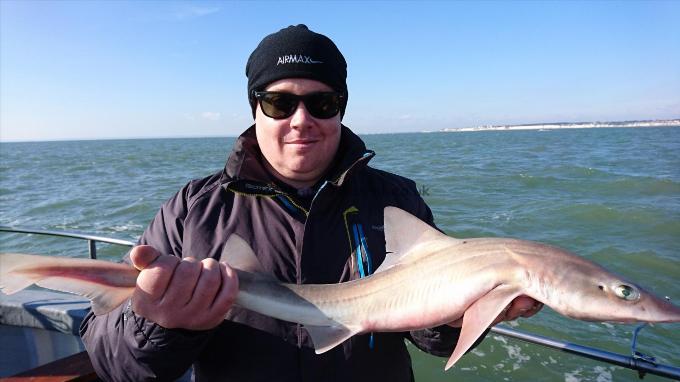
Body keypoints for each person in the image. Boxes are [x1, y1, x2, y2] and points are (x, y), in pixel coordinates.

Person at [80, 25, 542, 381]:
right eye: (280, 103)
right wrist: (162, 325)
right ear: (254, 109)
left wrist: (459, 314)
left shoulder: (395, 202)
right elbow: (115, 364)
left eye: (321, 103)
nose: (301, 121)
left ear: (341, 108)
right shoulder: (193, 209)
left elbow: (431, 339)